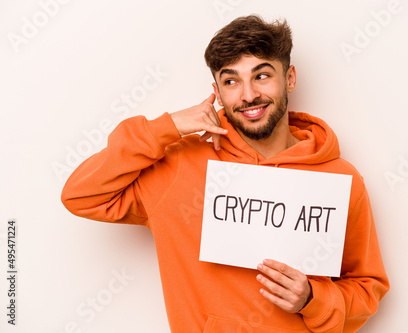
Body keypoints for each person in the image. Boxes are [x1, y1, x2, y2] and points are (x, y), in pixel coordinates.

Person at [61, 15, 389, 332]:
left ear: (289, 78)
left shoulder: (339, 179)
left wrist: (313, 299)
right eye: (231, 81)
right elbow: (81, 195)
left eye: (261, 75)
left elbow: (366, 288)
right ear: (217, 91)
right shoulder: (179, 167)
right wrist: (167, 127)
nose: (248, 95)